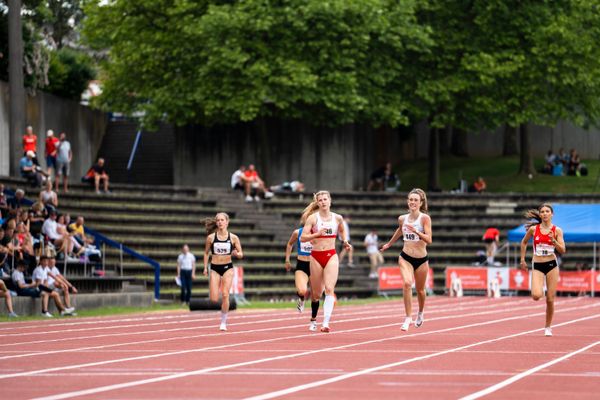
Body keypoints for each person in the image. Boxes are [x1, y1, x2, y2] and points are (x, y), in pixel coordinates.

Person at [380, 188, 432, 332]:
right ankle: (408, 317)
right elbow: (399, 230)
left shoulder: (424, 218)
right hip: (405, 257)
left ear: (421, 203)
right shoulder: (402, 218)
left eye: (415, 200)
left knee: (421, 290)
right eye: (410, 200)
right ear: (407, 202)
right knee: (407, 283)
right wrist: (389, 244)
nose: (412, 202)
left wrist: (416, 231)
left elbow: (429, 240)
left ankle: (420, 313)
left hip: (421, 259)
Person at [300, 191, 352, 333]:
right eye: (320, 200)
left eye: (325, 199)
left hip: (331, 255)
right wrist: (317, 234)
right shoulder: (313, 218)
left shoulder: (338, 218)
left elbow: (342, 231)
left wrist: (345, 242)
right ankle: (313, 319)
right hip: (316, 256)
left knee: (329, 289)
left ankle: (326, 323)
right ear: (317, 203)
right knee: (316, 294)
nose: (323, 202)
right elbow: (303, 238)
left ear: (330, 201)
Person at [519, 203, 566, 337]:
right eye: (542, 212)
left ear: (552, 214)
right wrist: (522, 259)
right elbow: (523, 242)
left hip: (552, 264)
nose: (545, 213)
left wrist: (554, 241)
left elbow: (563, 250)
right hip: (538, 264)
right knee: (536, 296)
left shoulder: (557, 230)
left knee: (550, 300)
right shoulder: (534, 229)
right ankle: (541, 288)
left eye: (547, 211)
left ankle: (548, 327)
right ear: (540, 215)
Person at [203, 212, 243, 331]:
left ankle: (223, 322)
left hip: (227, 267)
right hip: (215, 267)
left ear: (227, 222)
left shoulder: (233, 238)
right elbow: (206, 253)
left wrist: (237, 253)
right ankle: (222, 308)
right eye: (218, 220)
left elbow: (241, 253)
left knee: (225, 294)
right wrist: (205, 267)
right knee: (214, 298)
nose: (220, 222)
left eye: (222, 220)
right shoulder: (211, 238)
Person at [284, 215, 316, 324]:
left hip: (315, 265)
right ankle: (301, 299)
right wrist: (287, 260)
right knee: (302, 290)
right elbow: (289, 244)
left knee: (315, 295)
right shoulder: (297, 232)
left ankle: (313, 320)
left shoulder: (318, 234)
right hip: (302, 264)